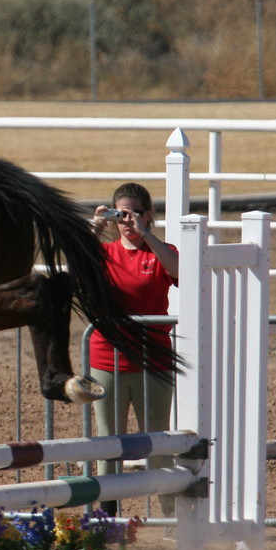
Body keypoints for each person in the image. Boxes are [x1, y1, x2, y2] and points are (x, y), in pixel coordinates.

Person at [89, 182, 178, 522]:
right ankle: (107, 519)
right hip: (105, 359)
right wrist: (94, 230)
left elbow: (181, 271)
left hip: (153, 361)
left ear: (147, 214)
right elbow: (74, 264)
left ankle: (171, 517)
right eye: (120, 214)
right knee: (108, 443)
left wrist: (147, 236)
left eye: (134, 213)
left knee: (157, 442)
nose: (126, 221)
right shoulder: (102, 253)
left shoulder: (159, 251)